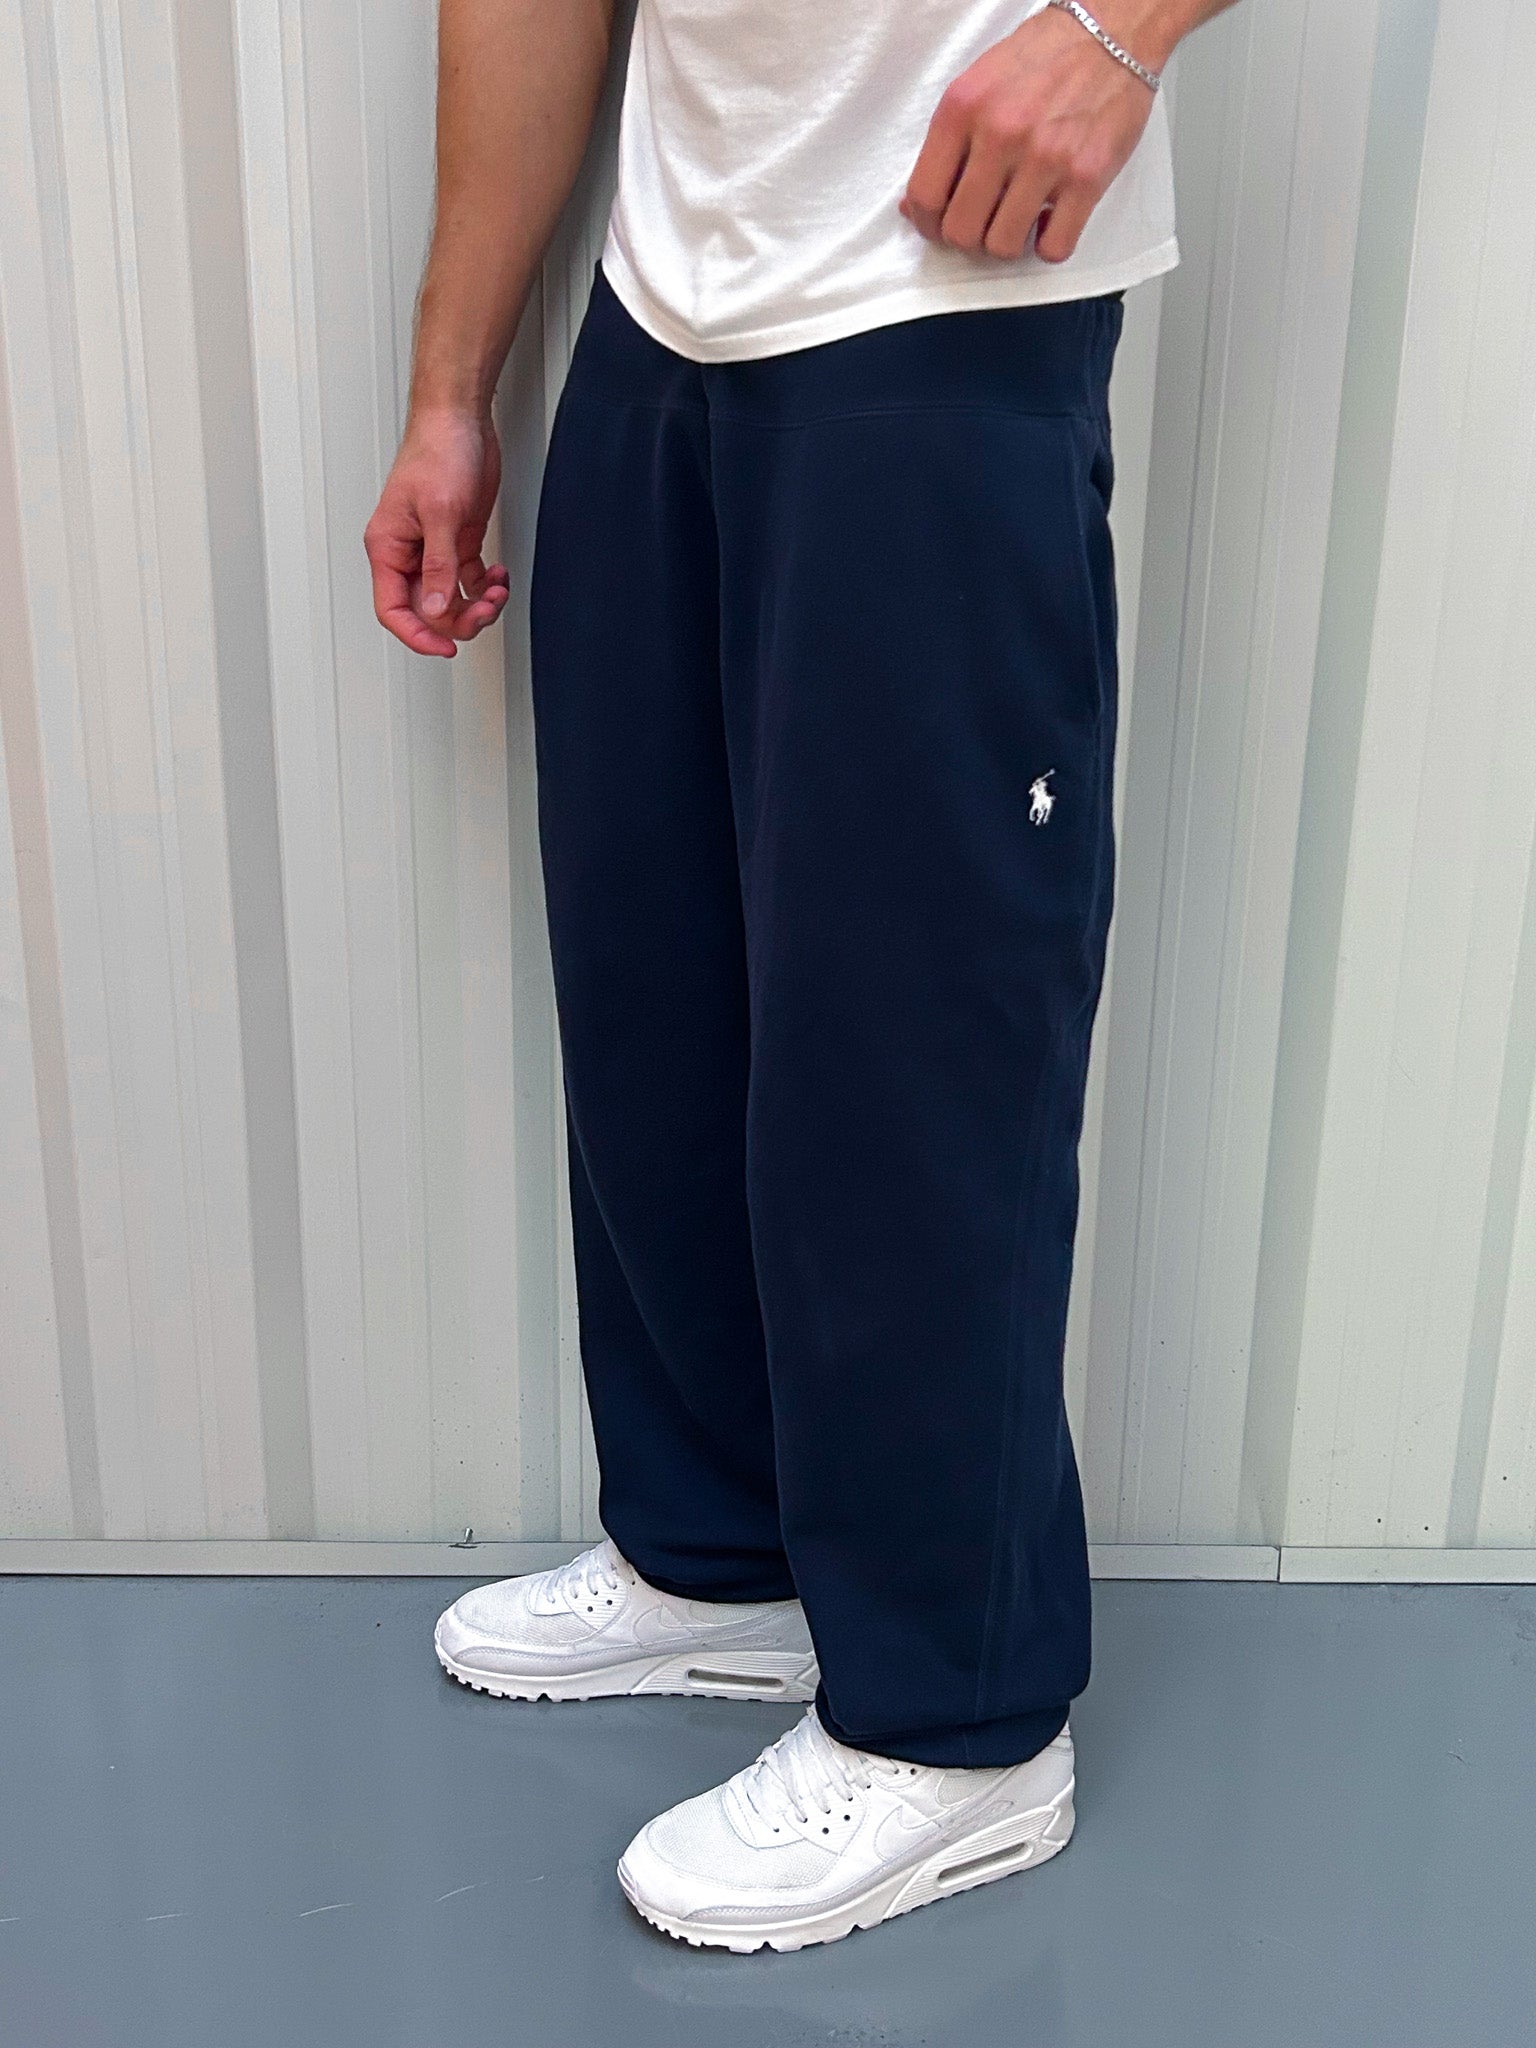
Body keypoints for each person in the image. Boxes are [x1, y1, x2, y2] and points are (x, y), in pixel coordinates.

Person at [367, 0, 1238, 1955]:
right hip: (661, 299)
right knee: (652, 985)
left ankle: (958, 1716)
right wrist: (453, 388)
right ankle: (721, 1549)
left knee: (911, 1049)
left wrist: (1120, 32)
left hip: (945, 285)